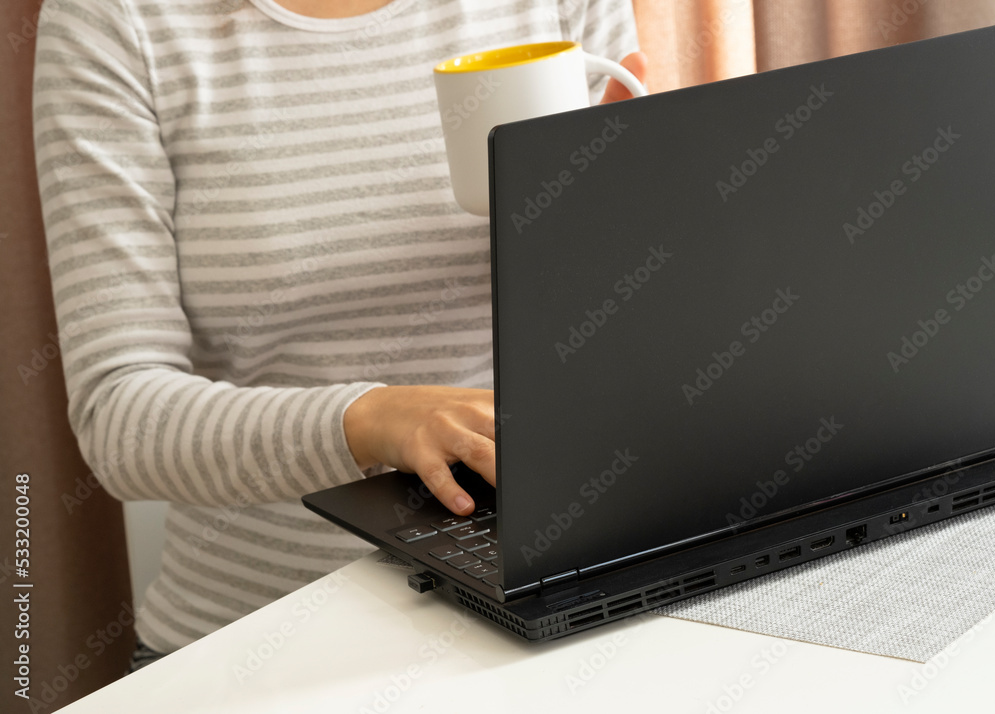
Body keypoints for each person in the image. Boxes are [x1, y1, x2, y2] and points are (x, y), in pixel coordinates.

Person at [32, 0, 645, 667]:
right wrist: (371, 418)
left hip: (552, 616)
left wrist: (654, 228)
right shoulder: (117, 19)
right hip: (254, 654)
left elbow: (618, 325)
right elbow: (119, 418)